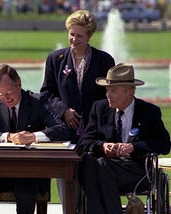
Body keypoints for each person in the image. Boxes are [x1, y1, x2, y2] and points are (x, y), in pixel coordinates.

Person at [0, 64, 69, 214]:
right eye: (0, 94)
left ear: (19, 84)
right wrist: (7, 136)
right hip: (2, 172)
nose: (5, 98)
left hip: (31, 173)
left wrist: (33, 137)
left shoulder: (38, 101)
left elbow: (61, 130)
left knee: (24, 191)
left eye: (8, 92)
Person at [39, 9, 115, 210]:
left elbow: (109, 96)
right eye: (71, 34)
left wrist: (93, 120)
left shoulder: (104, 60)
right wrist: (64, 111)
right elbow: (47, 93)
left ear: (89, 36)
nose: (74, 39)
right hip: (65, 131)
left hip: (94, 132)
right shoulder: (55, 59)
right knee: (66, 179)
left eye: (79, 36)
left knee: (91, 180)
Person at [77, 63, 170, 214]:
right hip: (104, 168)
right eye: (107, 90)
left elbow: (164, 145)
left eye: (113, 91)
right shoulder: (99, 108)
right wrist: (103, 146)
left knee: (99, 166)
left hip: (136, 170)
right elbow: (84, 142)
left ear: (129, 92)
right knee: (89, 163)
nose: (108, 95)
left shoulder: (149, 112)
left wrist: (134, 147)